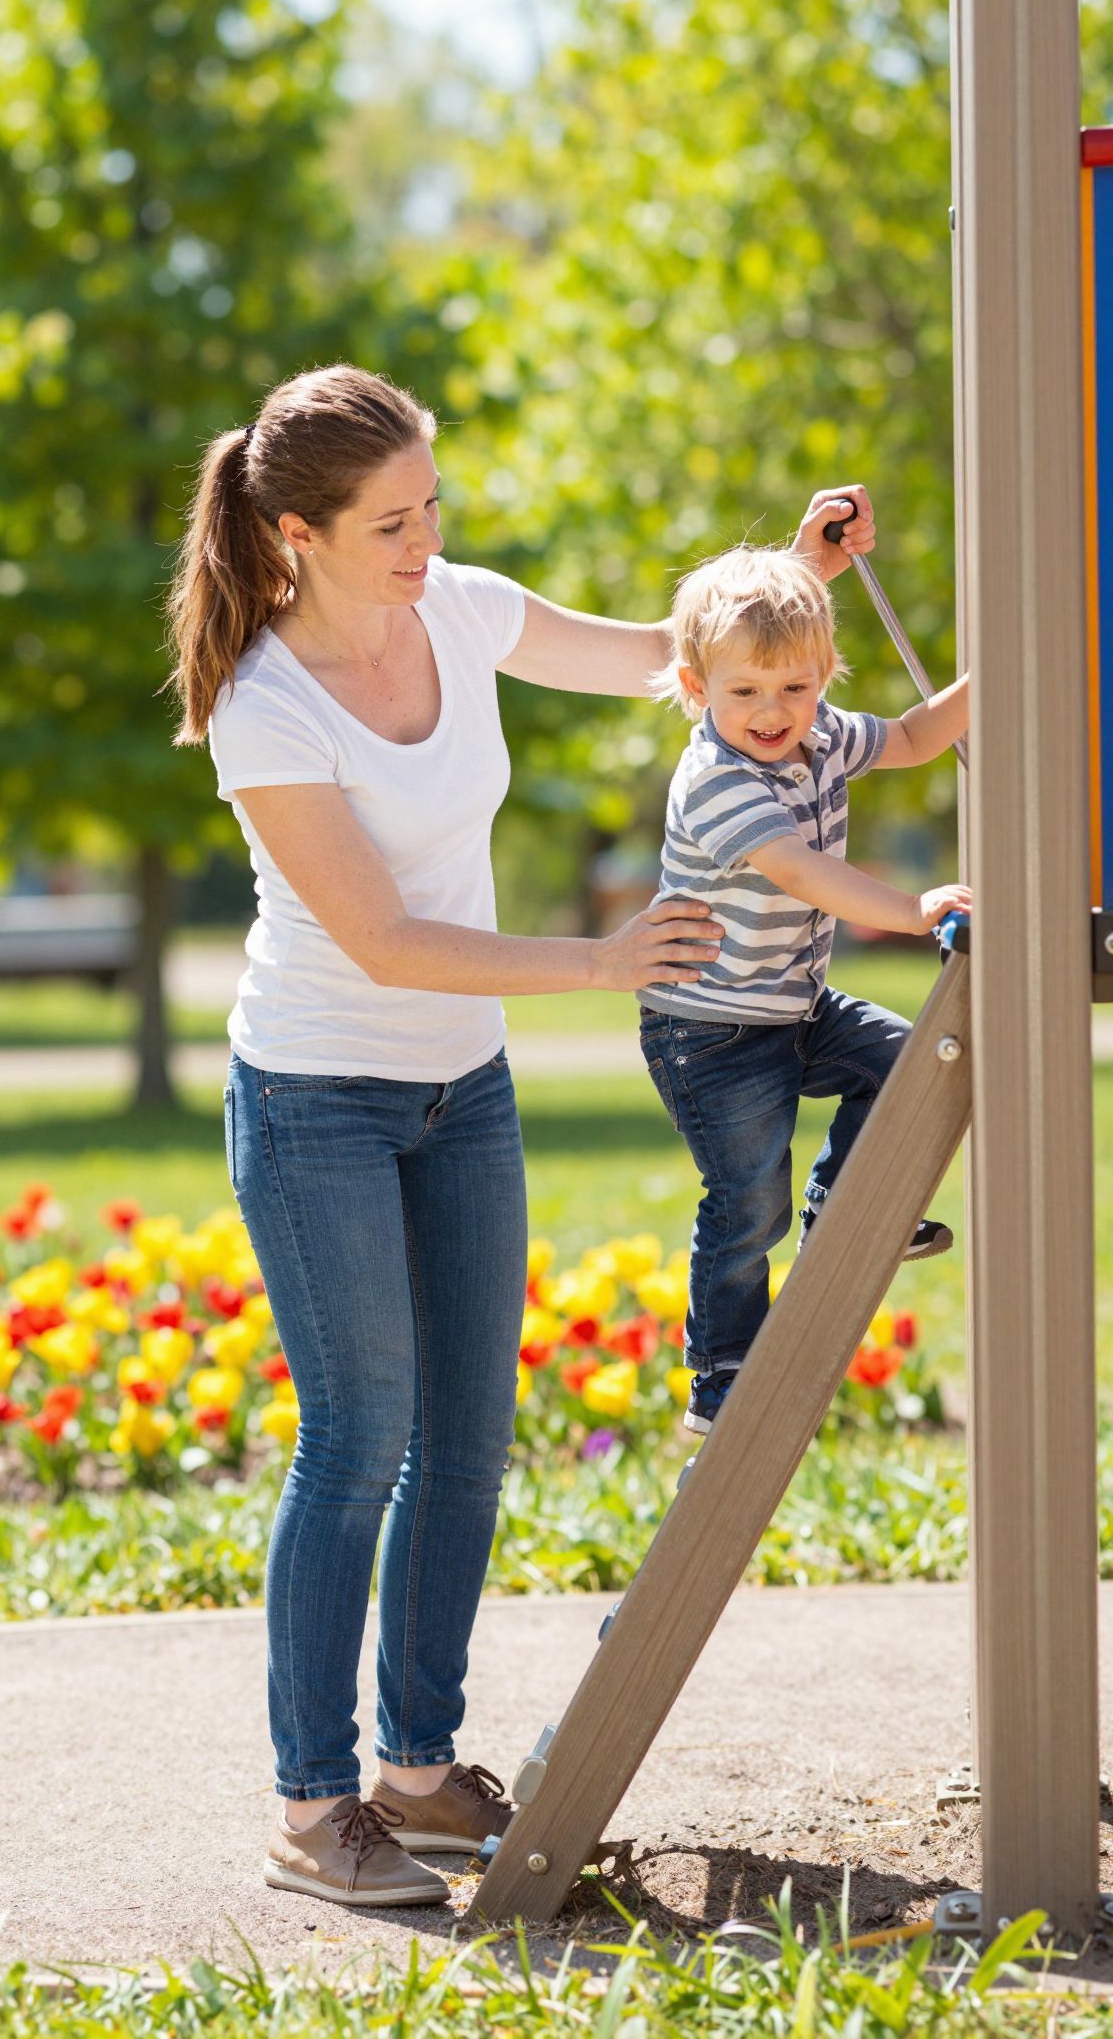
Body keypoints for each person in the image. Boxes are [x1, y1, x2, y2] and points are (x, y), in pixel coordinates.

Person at [166, 361, 872, 1908]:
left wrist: (788, 581)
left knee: (468, 1445)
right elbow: (383, 940)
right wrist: (603, 961)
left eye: (435, 507)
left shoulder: (464, 610)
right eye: (394, 522)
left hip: (458, 1094)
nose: (429, 543)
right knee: (357, 1441)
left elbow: (667, 659)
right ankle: (309, 1808)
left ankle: (417, 1776)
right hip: (316, 1096)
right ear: (296, 531)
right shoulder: (263, 704)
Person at [638, 545, 970, 1435]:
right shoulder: (715, 779)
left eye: (795, 687)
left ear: (824, 676)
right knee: (749, 1196)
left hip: (792, 1005)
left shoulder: (823, 736)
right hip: (705, 1026)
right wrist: (912, 907)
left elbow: (908, 737)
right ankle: (720, 1373)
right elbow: (799, 873)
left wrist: (992, 676)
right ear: (695, 686)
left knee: (909, 1058)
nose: (772, 712)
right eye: (744, 691)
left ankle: (846, 1204)